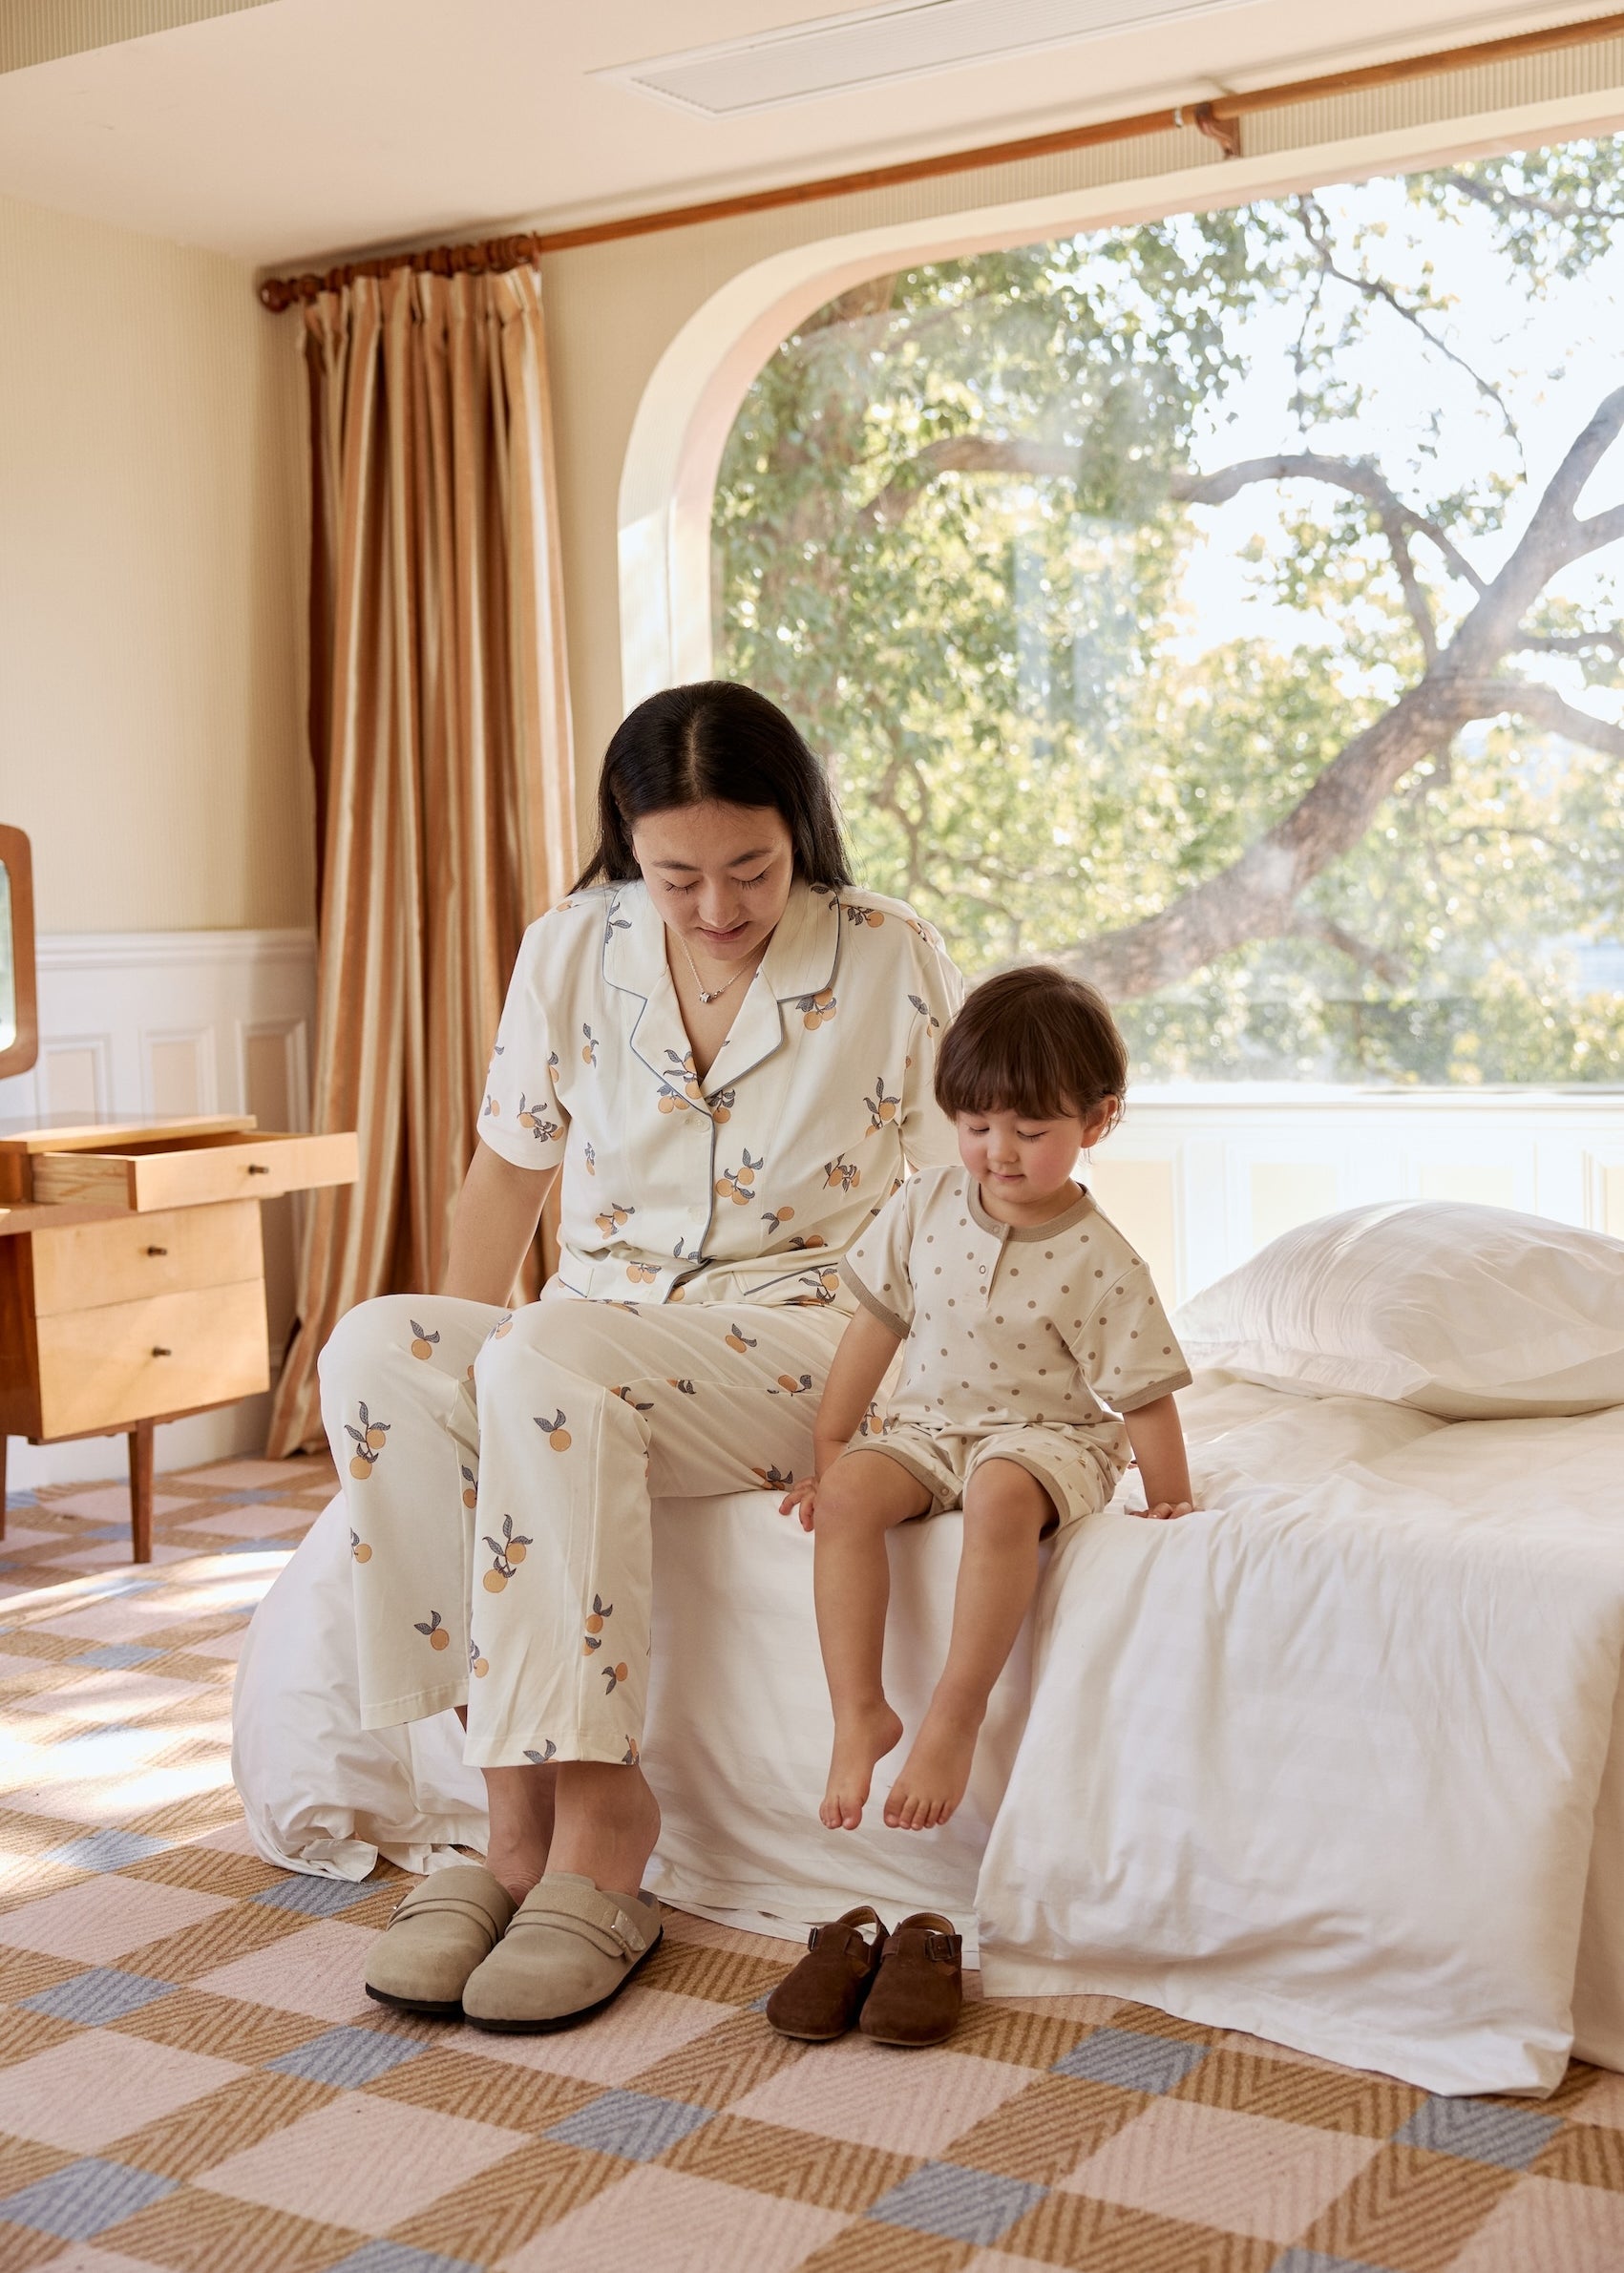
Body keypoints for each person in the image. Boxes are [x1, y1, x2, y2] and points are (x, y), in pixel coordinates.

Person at [320, 681, 961, 2031]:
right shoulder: (568, 946)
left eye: (751, 869)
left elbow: (949, 1206)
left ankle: (604, 1825)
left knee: (549, 1353)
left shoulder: (888, 952)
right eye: (677, 877)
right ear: (625, 843)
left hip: (801, 1345)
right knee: (379, 1350)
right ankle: (509, 1821)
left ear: (802, 830)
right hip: (580, 1339)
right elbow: (503, 1182)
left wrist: (930, 1410)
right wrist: (462, 1377)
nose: (717, 906)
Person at [779, 965, 1195, 1835]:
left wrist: (1169, 1499)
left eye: (1029, 1129)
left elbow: (1143, 1395)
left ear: (1096, 1120)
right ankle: (860, 1710)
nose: (998, 1150)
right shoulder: (923, 1202)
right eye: (974, 1125)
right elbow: (873, 1328)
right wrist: (831, 1453)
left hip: (1048, 1436)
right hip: (928, 1424)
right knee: (855, 1493)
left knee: (1003, 1491)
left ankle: (954, 1715)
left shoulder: (1103, 1260)